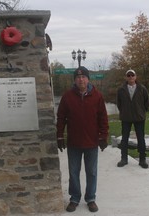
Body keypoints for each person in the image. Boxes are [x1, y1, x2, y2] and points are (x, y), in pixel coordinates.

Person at [56, 66, 109, 213]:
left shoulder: (97, 96)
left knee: (91, 172)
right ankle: (74, 198)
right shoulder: (67, 96)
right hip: (74, 142)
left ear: (88, 79)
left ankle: (90, 198)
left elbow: (103, 118)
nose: (81, 79)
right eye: (78, 77)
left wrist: (103, 136)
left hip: (91, 141)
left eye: (83, 77)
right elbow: (61, 118)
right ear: (75, 79)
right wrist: (60, 135)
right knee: (73, 172)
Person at [116, 69, 149, 169]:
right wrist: (123, 112)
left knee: (141, 139)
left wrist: (142, 111)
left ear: (135, 77)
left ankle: (142, 159)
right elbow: (119, 103)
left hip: (139, 117)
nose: (130, 77)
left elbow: (147, 102)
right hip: (126, 118)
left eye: (132, 75)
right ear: (126, 77)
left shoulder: (142, 88)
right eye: (128, 75)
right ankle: (124, 159)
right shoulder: (121, 89)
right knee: (124, 139)